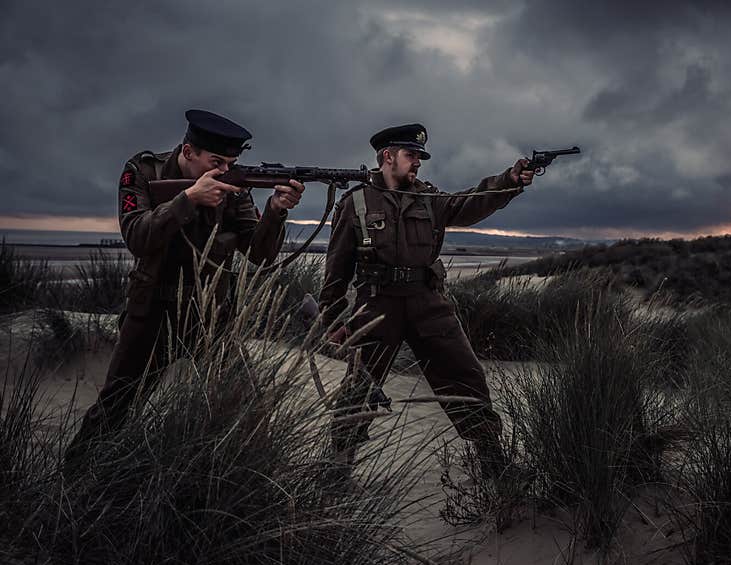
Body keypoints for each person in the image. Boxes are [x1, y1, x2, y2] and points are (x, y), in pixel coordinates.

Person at [64, 109, 304, 473]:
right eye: (216, 161)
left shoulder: (232, 186)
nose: (224, 170)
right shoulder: (143, 172)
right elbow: (137, 236)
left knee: (248, 402)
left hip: (211, 315)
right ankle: (75, 475)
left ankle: (247, 479)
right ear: (188, 151)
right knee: (118, 402)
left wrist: (275, 211)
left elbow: (259, 253)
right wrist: (189, 199)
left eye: (231, 162)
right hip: (153, 310)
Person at [317, 122, 535, 487]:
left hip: (428, 303)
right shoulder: (354, 203)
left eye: (419, 156)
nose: (417, 162)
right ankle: (337, 469)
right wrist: (332, 317)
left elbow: (470, 203)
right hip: (376, 307)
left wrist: (509, 181)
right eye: (411, 155)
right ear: (388, 157)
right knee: (359, 389)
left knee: (465, 378)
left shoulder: (429, 198)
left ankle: (495, 466)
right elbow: (336, 269)